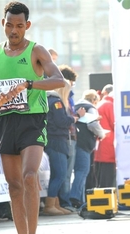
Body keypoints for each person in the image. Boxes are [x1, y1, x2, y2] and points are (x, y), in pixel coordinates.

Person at [0, 2, 64, 234]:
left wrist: (28, 83)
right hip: (5, 123)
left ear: (27, 25)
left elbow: (59, 79)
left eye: (19, 25)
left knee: (29, 176)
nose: (13, 30)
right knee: (14, 186)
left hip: (32, 121)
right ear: (2, 23)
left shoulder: (36, 50)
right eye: (9, 25)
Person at [44, 80, 85, 215]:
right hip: (56, 140)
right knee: (60, 174)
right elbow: (61, 121)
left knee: (57, 174)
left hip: (54, 139)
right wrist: (75, 117)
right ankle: (50, 205)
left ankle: (55, 204)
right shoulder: (56, 101)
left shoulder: (50, 100)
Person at [69, 90, 105, 208]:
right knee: (83, 170)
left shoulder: (75, 106)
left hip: (73, 141)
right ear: (94, 100)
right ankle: (75, 198)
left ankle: (79, 199)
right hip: (84, 143)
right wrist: (102, 134)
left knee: (75, 171)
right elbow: (93, 124)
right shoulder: (90, 108)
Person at [57, 64, 78, 211]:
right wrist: (75, 118)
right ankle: (64, 202)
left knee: (65, 172)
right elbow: (64, 119)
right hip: (66, 138)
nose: (72, 85)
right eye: (71, 82)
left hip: (69, 137)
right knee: (64, 173)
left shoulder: (68, 97)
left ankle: (63, 202)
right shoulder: (60, 99)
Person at [94, 85, 116, 188]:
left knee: (101, 174)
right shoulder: (110, 105)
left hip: (101, 143)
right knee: (108, 176)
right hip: (109, 143)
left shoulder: (101, 104)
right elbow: (114, 124)